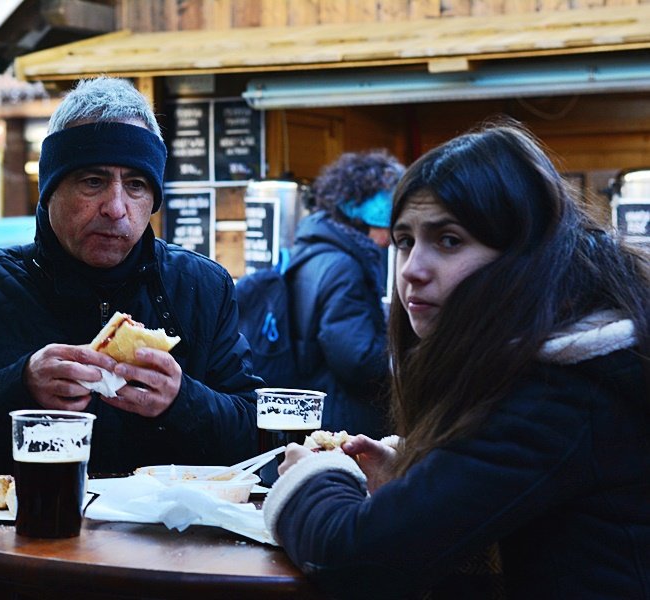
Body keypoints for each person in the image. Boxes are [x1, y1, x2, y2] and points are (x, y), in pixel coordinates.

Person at [262, 122, 650, 598]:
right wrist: (416, 478)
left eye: (448, 240)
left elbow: (356, 559)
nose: (412, 270)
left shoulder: (559, 392)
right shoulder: (551, 365)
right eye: (405, 240)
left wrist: (314, 477)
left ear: (523, 253)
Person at [0, 76, 261, 482]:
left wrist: (183, 401)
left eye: (137, 185)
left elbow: (259, 438)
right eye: (93, 181)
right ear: (49, 189)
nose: (116, 208)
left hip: (164, 542)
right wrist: (19, 389)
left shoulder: (203, 288)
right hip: (13, 541)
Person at [288, 150, 403, 437]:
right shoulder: (345, 266)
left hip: (318, 405)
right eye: (385, 226)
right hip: (342, 418)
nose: (388, 240)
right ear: (362, 216)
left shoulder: (315, 249)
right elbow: (356, 359)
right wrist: (408, 354)